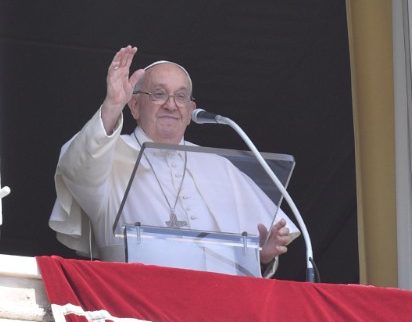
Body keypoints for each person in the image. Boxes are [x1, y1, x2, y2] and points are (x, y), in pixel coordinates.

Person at [49, 45, 298, 276]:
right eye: (159, 94)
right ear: (134, 105)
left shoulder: (219, 166)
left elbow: (250, 253)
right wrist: (113, 105)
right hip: (134, 303)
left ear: (190, 112)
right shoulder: (109, 156)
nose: (171, 105)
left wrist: (260, 254)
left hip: (219, 307)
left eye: (181, 97)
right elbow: (77, 168)